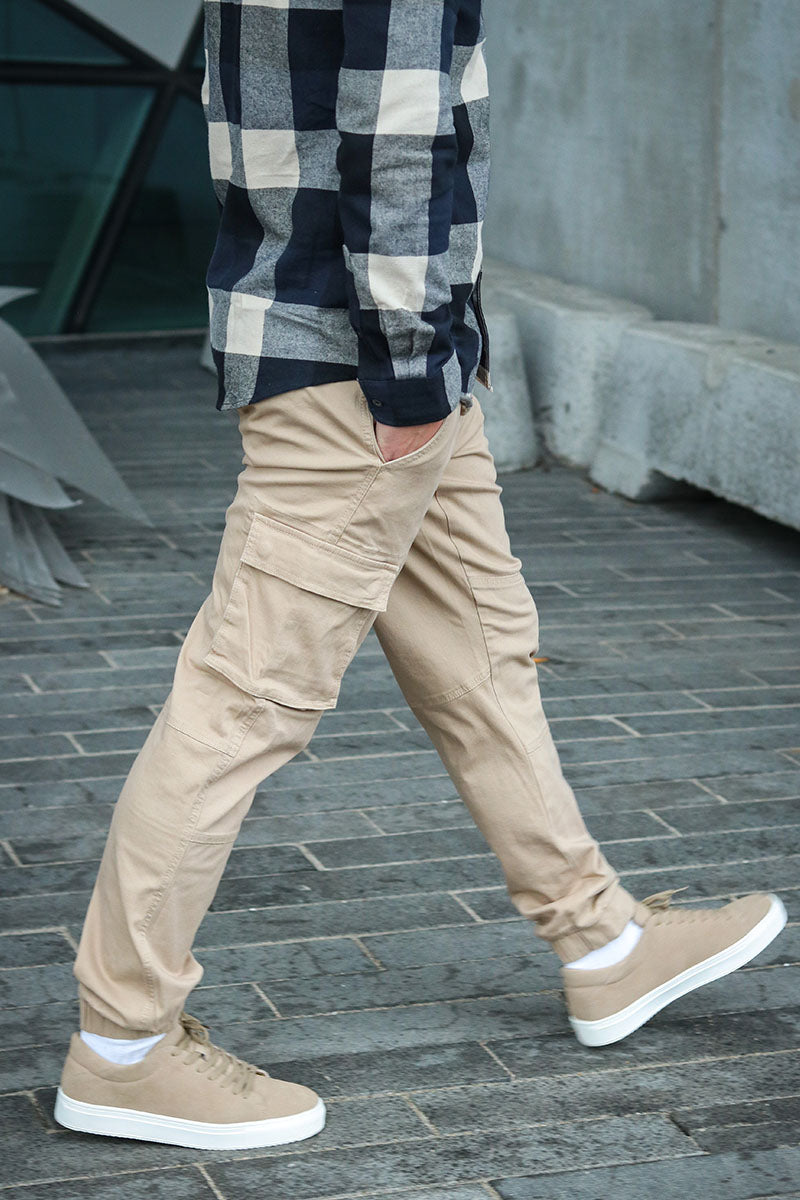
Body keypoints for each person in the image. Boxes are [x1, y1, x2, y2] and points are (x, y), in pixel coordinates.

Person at [54, 0, 786, 1153]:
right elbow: (394, 133)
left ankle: (599, 938)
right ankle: (123, 1046)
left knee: (480, 650)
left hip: (370, 346)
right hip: (364, 363)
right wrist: (407, 370)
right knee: (241, 702)